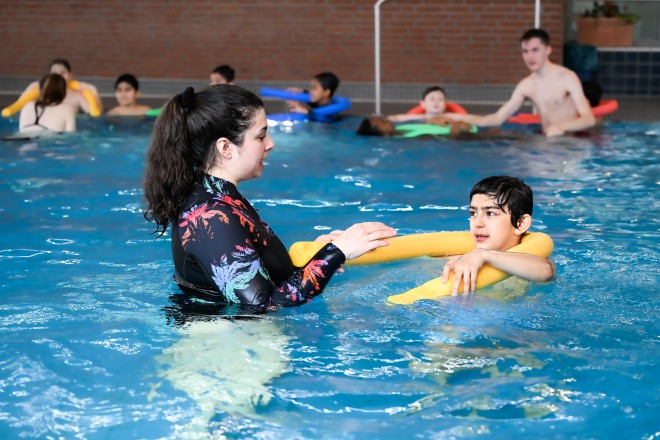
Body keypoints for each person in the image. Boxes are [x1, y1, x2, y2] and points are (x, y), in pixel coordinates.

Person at [143, 84, 396, 311]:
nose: (271, 143)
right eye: (261, 135)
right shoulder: (210, 217)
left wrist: (318, 258)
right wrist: (336, 253)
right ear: (225, 148)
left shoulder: (217, 198)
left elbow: (259, 278)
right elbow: (262, 306)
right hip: (222, 352)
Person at [446, 29, 596, 137]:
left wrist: (560, 127)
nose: (530, 56)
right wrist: (456, 117)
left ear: (548, 50)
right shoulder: (526, 85)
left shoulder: (567, 77)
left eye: (535, 50)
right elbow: (496, 119)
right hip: (545, 141)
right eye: (525, 51)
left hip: (571, 141)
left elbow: (589, 119)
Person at [441, 176, 555, 295]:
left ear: (520, 223)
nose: (478, 223)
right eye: (473, 213)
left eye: (490, 213)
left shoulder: (534, 264)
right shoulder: (458, 260)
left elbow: (546, 272)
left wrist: (485, 255)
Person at [16, 59, 102, 115]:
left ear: (70, 75)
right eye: (54, 73)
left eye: (62, 73)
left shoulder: (77, 97)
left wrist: (93, 90)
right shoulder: (40, 93)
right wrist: (31, 87)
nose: (58, 77)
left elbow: (95, 115)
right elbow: (19, 108)